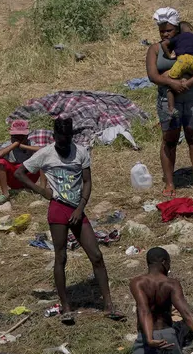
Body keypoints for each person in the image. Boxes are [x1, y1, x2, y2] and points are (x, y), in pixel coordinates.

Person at [17, 115, 122, 323]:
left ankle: (108, 304)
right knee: (61, 257)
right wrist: (40, 190)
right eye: (60, 140)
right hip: (57, 210)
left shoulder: (81, 152)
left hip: (77, 209)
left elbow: (87, 181)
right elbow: (20, 173)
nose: (63, 144)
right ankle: (66, 307)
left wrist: (80, 207)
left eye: (67, 140)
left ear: (71, 136)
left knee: (97, 255)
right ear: (54, 136)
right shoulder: (45, 154)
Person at [147, 6, 193, 197]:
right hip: (168, 100)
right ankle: (169, 183)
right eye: (162, 31)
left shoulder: (191, 44)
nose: (165, 34)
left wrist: (188, 83)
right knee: (169, 139)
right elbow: (152, 75)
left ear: (178, 30)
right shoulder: (155, 49)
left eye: (169, 30)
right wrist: (172, 83)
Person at [0, 118, 39, 205]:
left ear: (26, 136)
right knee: (0, 162)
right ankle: (5, 194)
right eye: (15, 136)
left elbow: (43, 150)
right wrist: (15, 144)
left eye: (20, 137)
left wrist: (24, 146)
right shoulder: (9, 144)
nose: (17, 139)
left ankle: (42, 190)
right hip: (15, 177)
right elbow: (0, 154)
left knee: (42, 158)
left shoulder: (30, 143)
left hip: (28, 175)